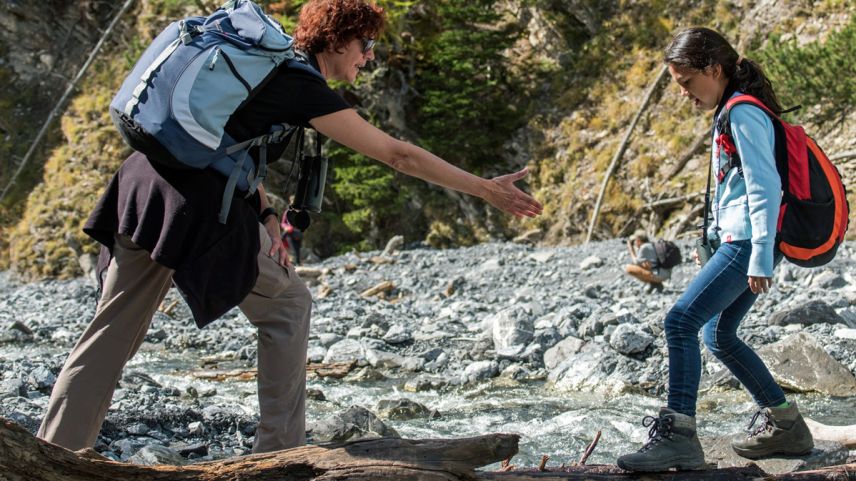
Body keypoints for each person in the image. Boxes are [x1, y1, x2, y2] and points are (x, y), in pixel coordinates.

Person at [37, 0, 542, 454]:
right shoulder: (298, 82)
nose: (368, 58)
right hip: (195, 203)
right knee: (288, 306)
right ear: (338, 39)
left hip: (144, 182)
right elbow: (398, 154)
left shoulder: (264, 71)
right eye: (365, 45)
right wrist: (484, 188)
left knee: (112, 332)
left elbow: (231, 146)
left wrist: (267, 216)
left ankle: (52, 451)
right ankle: (281, 454)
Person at [616, 27, 813, 472]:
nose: (684, 93)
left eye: (687, 82)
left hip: (749, 241)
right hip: (739, 239)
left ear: (714, 69)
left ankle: (680, 436)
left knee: (680, 321)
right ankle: (786, 425)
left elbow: (765, 187)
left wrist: (761, 253)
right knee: (717, 335)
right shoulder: (731, 111)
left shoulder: (742, 113)